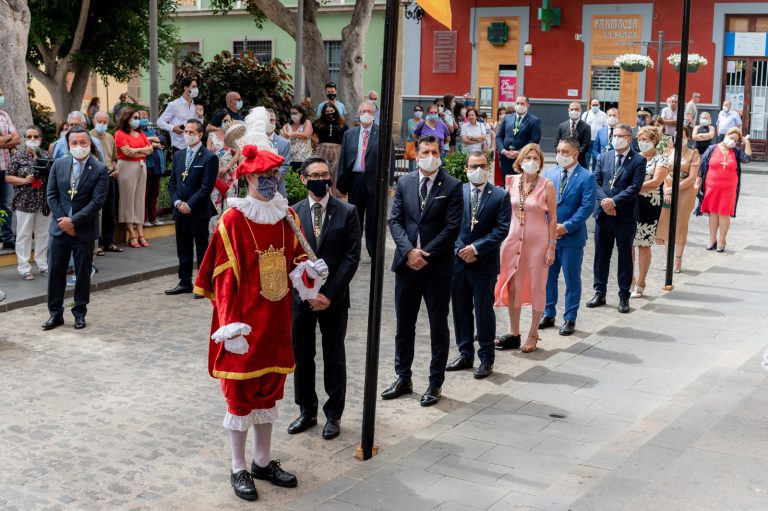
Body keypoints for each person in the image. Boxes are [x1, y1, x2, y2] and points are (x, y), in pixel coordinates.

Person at [193, 111, 328, 500]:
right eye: (264, 176)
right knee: (240, 397)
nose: (271, 182)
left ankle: (263, 460)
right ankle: (238, 466)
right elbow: (223, 279)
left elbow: (295, 262)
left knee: (269, 392)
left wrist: (308, 273)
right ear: (249, 176)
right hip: (243, 326)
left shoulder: (285, 214)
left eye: (275, 176)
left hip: (276, 319)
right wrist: (230, 324)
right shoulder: (233, 220)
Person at [384, 135, 463, 407]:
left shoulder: (452, 186)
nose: (430, 155)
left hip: (436, 268)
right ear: (416, 156)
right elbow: (394, 220)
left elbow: (452, 228)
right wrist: (409, 252)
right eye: (425, 151)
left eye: (434, 151)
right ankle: (402, 376)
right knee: (404, 325)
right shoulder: (405, 182)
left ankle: (435, 382)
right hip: (406, 266)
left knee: (438, 327)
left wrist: (424, 254)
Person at [288, 156, 361, 440]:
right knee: (302, 356)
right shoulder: (292, 214)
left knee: (334, 357)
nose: (321, 179)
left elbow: (352, 256)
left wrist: (328, 294)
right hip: (302, 300)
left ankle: (334, 415)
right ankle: (306, 410)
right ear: (304, 179)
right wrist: (307, 294)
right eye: (314, 175)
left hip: (334, 299)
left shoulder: (347, 211)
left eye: (324, 174)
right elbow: (290, 258)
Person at [446, 151, 511, 378]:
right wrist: (459, 249)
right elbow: (449, 225)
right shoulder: (458, 191)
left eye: (482, 165)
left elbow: (501, 230)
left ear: (488, 167)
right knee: (461, 310)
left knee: (484, 311)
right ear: (466, 169)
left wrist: (475, 249)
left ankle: (486, 358)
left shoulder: (500, 195)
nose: (478, 170)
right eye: (473, 166)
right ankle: (465, 353)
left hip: (484, 263)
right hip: (458, 262)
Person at [43, 126, 108, 331]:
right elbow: (51, 195)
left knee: (82, 273)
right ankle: (55, 314)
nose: (79, 146)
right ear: (68, 144)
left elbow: (97, 202)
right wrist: (64, 221)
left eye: (83, 142)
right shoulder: (59, 164)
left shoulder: (99, 169)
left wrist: (74, 222)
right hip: (59, 229)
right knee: (55, 272)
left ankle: (79, 312)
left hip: (84, 231)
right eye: (74, 143)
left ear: (90, 144)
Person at [494, 144, 557, 353]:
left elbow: (553, 218)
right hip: (513, 239)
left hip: (537, 243)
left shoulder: (547, 185)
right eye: (528, 157)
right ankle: (514, 332)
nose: (532, 161)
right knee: (512, 285)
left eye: (536, 158)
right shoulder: (511, 181)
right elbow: (504, 211)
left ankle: (533, 332)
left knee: (537, 286)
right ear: (520, 161)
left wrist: (551, 246)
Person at [586, 123, 647, 314]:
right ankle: (599, 291)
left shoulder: (638, 160)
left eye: (621, 135)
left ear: (629, 138)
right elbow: (595, 182)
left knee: (624, 257)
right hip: (604, 215)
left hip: (625, 216)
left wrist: (614, 202)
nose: (616, 138)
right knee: (601, 255)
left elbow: (634, 187)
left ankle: (623, 296)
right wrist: (605, 201)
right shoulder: (604, 157)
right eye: (615, 134)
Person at [540, 138, 596, 336]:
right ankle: (548, 312)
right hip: (550, 236)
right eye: (558, 151)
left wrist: (566, 227)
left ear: (575, 154)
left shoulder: (586, 177)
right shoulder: (550, 173)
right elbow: (543, 202)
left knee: (572, 279)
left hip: (571, 238)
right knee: (548, 277)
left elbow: (587, 207)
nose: (560, 155)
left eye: (565, 151)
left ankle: (570, 317)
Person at [165, 119, 218, 296]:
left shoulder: (209, 157)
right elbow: (172, 183)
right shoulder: (179, 155)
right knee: (183, 247)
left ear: (200, 134)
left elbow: (206, 187)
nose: (187, 135)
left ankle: (203, 284)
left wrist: (190, 204)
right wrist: (177, 203)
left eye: (191, 132)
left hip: (198, 210)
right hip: (180, 211)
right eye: (186, 131)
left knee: (202, 248)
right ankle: (184, 281)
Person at [337, 101, 387, 258]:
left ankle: (373, 252)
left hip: (374, 182)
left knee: (373, 218)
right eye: (364, 111)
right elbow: (343, 160)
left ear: (374, 114)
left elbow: (388, 160)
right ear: (359, 114)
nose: (366, 113)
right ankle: (353, 251)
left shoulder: (382, 133)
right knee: (354, 218)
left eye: (369, 111)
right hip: (355, 181)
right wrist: (340, 183)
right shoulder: (349, 134)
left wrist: (389, 183)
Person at [695, 127, 751, 253]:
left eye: (736, 140)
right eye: (731, 138)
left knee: (724, 213)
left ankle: (722, 240)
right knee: (713, 213)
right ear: (726, 135)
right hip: (712, 186)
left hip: (728, 188)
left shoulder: (735, 151)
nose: (733, 141)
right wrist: (698, 181)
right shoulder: (712, 148)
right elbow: (702, 166)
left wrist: (746, 142)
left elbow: (747, 159)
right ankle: (712, 240)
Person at [5, 126, 50, 280]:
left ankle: (43, 264)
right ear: (24, 139)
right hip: (24, 201)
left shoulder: (45, 154)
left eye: (35, 136)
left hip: (42, 201)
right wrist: (24, 180)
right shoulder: (18, 156)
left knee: (43, 234)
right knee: (24, 235)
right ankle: (24, 267)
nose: (32, 139)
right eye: (29, 136)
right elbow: (8, 177)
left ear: (41, 138)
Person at [629, 126, 668, 299]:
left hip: (649, 205)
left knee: (643, 244)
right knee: (628, 243)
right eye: (640, 139)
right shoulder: (633, 158)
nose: (641, 143)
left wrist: (631, 188)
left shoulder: (661, 160)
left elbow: (656, 181)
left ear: (654, 141)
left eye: (645, 139)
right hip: (630, 203)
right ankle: (629, 279)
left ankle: (641, 282)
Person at [656, 127, 701, 273]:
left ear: (688, 138)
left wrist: (675, 188)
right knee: (666, 223)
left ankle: (678, 260)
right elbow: (661, 173)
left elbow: (692, 177)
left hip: (684, 191)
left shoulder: (693, 153)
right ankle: (668, 260)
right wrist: (666, 190)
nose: (678, 138)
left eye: (682, 136)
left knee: (680, 224)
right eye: (676, 136)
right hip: (667, 191)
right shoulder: (667, 152)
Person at [114, 108, 153, 248]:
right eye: (134, 117)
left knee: (139, 199)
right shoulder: (119, 133)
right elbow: (126, 153)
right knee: (128, 199)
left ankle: (141, 233)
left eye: (138, 117)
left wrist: (136, 150)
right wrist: (142, 152)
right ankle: (132, 233)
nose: (137, 120)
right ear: (126, 118)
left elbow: (150, 150)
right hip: (126, 167)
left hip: (141, 166)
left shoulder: (141, 133)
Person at [89, 111, 122, 253]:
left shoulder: (109, 137)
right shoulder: (88, 137)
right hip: (95, 177)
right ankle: (98, 244)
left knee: (109, 211)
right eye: (99, 121)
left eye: (104, 122)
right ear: (93, 121)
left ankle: (109, 242)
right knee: (97, 212)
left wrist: (116, 169)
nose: (102, 125)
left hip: (109, 176)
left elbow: (113, 158)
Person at [207, 113, 239, 233]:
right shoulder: (212, 135)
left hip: (231, 174)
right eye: (225, 121)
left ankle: (229, 237)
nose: (227, 123)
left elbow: (238, 153)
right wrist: (216, 168)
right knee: (215, 207)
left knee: (229, 206)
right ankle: (214, 239)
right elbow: (208, 153)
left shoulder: (233, 136)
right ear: (219, 121)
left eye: (229, 120)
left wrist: (227, 167)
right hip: (216, 175)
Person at [496, 96, 542, 179]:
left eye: (522, 103)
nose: (519, 105)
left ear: (528, 105)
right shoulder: (507, 118)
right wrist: (503, 151)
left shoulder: (534, 120)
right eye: (517, 103)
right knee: (506, 184)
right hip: (506, 158)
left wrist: (520, 152)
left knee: (520, 183)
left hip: (523, 159)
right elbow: (499, 136)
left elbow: (534, 140)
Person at [157, 77, 205, 153]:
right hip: (179, 146)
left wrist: (200, 116)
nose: (196, 89)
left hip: (194, 145)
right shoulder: (174, 105)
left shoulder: (196, 105)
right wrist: (173, 128)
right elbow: (160, 122)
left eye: (196, 86)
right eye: (193, 87)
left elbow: (199, 126)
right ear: (186, 88)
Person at [139, 110, 167, 227]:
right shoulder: (138, 132)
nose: (145, 119)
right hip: (146, 167)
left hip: (156, 168)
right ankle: (144, 218)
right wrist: (155, 143)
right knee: (144, 194)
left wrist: (150, 140)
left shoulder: (152, 130)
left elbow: (163, 140)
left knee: (154, 193)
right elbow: (141, 143)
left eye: (146, 116)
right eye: (142, 117)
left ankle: (153, 217)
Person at [0, 86, 20, 249]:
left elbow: (17, 139)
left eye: (1, 94)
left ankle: (7, 237)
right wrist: (8, 138)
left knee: (6, 204)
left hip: (5, 168)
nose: (2, 97)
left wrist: (3, 139)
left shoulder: (4, 115)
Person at [312, 102, 347, 193]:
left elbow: (346, 138)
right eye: (327, 111)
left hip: (337, 151)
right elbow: (311, 134)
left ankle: (335, 199)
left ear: (335, 111)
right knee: (322, 173)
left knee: (335, 175)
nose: (330, 113)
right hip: (322, 151)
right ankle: (321, 195)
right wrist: (318, 143)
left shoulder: (342, 124)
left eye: (332, 111)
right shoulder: (318, 123)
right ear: (324, 112)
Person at [555, 102, 592, 168]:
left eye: (576, 109)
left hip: (579, 162)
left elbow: (585, 145)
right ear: (568, 110)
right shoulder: (562, 126)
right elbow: (557, 143)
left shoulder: (586, 127)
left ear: (580, 110)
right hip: (562, 160)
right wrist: (561, 155)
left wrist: (573, 156)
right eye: (572, 109)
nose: (574, 111)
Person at [280, 104, 313, 173]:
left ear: (301, 114)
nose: (293, 115)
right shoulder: (287, 126)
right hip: (290, 160)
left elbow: (306, 135)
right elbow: (281, 140)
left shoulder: (307, 123)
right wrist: (285, 137)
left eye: (295, 113)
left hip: (304, 159)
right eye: (291, 113)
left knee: (304, 181)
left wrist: (292, 133)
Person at [266, 108, 291, 197]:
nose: (270, 122)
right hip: (256, 189)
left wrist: (272, 177)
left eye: (272, 120)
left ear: (275, 121)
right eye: (267, 120)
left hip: (278, 189)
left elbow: (285, 165)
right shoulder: (254, 142)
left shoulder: (285, 143)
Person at [581, 99, 608, 170]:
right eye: (593, 105)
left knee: (597, 158)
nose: (595, 106)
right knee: (586, 158)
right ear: (590, 105)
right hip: (588, 140)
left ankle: (595, 174)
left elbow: (605, 127)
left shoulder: (603, 115)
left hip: (598, 141)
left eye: (596, 105)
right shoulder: (585, 114)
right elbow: (581, 126)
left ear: (599, 105)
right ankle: (586, 173)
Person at [405, 104, 423, 173]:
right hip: (412, 144)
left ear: (422, 112)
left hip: (422, 145)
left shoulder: (424, 121)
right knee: (412, 164)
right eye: (416, 110)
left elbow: (424, 133)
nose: (418, 111)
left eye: (420, 110)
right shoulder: (410, 121)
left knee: (421, 164)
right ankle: (411, 180)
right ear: (414, 111)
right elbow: (412, 133)